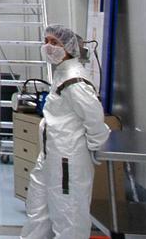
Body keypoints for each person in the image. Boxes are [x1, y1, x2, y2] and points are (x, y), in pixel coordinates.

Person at [22, 24, 110, 239]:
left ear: (69, 47)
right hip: (51, 155)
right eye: (47, 42)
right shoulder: (62, 73)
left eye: (55, 43)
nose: (49, 47)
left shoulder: (75, 80)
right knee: (38, 212)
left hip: (67, 159)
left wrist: (95, 149)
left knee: (68, 216)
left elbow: (94, 119)